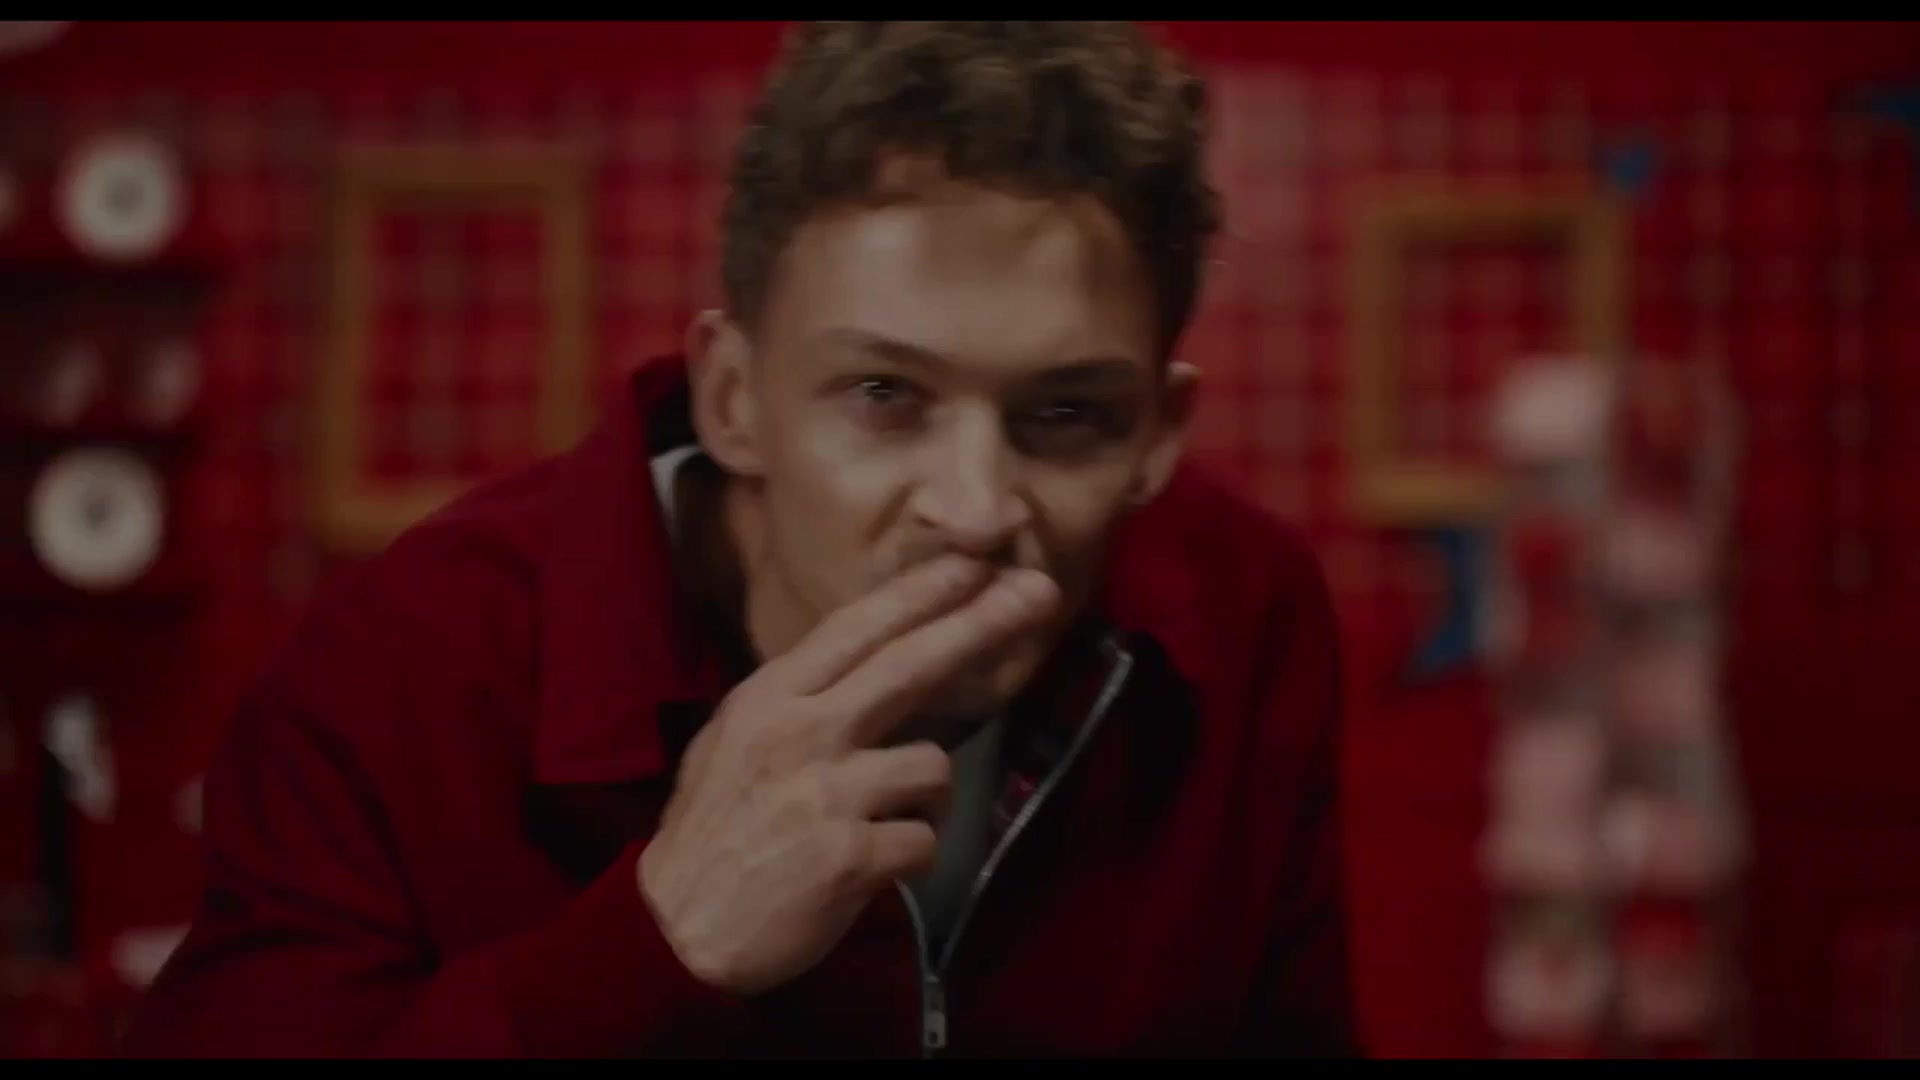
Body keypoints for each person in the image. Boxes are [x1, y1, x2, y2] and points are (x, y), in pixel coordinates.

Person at [118, 21, 1359, 1058]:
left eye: (1069, 414)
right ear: (732, 396)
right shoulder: (409, 661)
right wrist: (656, 942)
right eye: (884, 395)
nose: (976, 507)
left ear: (1158, 434)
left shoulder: (1244, 612)